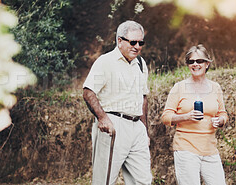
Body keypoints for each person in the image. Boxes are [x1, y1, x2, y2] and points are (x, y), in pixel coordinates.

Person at [82, 20, 152, 185]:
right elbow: (88, 91)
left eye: (140, 42)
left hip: (137, 128)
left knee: (143, 181)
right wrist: (103, 118)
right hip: (114, 124)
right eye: (132, 42)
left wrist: (145, 129)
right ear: (119, 41)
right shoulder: (105, 61)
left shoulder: (141, 64)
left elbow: (143, 97)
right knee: (104, 180)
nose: (137, 46)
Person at [161, 44, 228, 185]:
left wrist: (220, 120)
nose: (195, 64)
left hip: (210, 149)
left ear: (207, 64)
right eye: (191, 61)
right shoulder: (179, 87)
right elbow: (166, 117)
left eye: (199, 61)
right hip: (186, 149)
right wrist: (186, 116)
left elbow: (223, 114)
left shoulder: (215, 87)